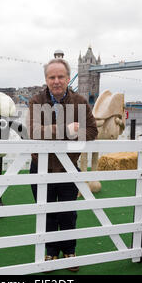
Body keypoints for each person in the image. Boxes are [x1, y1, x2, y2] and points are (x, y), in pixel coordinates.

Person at [27, 58, 98, 272]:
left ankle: (69, 250)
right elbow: (34, 132)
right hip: (41, 167)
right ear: (46, 79)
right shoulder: (36, 100)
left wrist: (68, 132)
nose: (56, 81)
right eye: (52, 77)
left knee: (68, 212)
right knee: (47, 212)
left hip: (68, 167)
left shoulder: (80, 101)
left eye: (60, 77)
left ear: (68, 78)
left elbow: (93, 132)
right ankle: (50, 251)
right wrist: (69, 130)